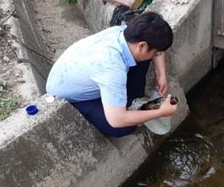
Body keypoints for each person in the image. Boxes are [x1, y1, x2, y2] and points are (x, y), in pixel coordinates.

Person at [46, 12, 178, 137]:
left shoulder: (122, 33)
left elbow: (156, 48)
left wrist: (161, 74)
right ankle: (125, 105)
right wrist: (160, 112)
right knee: (124, 127)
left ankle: (131, 101)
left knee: (143, 59)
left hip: (75, 70)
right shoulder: (112, 68)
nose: (157, 55)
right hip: (72, 95)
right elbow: (117, 120)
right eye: (155, 53)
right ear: (142, 46)